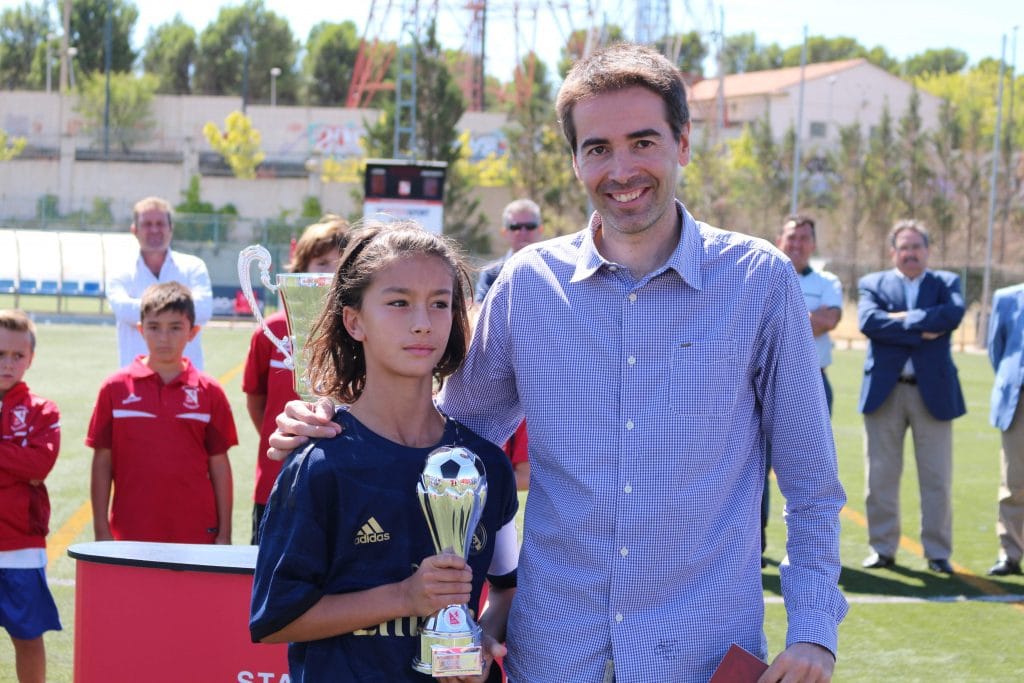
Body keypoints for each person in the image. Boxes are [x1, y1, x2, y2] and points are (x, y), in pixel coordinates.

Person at [271, 43, 846, 682]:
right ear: (575, 160)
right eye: (598, 148)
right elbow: (446, 439)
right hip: (555, 654)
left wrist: (815, 631)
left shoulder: (759, 281)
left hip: (699, 652)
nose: (621, 169)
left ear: (682, 143)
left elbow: (811, 484)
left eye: (643, 141)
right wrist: (336, 424)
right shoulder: (527, 284)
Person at [249, 221, 520, 683]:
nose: (422, 321)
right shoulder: (320, 462)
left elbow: (508, 590)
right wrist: (405, 597)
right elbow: (274, 618)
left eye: (440, 303)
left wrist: (476, 642)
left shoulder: (484, 464)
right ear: (354, 321)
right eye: (399, 302)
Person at [87, 282, 237, 544]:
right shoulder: (114, 388)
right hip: (131, 532)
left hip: (196, 532)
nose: (164, 338)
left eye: (175, 328)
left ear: (193, 332)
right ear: (140, 330)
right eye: (154, 327)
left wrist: (225, 532)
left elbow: (219, 465)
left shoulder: (210, 391)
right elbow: (102, 462)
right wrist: (101, 528)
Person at [858, 219, 965, 574]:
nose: (910, 254)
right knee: (880, 478)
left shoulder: (946, 283)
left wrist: (900, 322)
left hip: (931, 393)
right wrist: (922, 325)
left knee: (936, 479)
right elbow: (870, 322)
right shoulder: (872, 283)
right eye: (904, 247)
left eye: (917, 247)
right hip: (885, 394)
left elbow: (952, 314)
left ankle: (937, 553)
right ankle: (883, 548)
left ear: (927, 250)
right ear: (893, 252)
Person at [242, 216, 349, 544]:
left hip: (342, 481)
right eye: (321, 263)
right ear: (300, 269)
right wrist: (289, 436)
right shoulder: (271, 331)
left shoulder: (362, 330)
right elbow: (257, 400)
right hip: (276, 478)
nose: (329, 275)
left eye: (340, 265)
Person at [761, 215, 844, 561]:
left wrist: (783, 318)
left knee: (812, 468)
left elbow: (829, 321)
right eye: (791, 237)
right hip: (762, 384)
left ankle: (813, 554)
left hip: (813, 382)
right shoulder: (761, 276)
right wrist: (807, 318)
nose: (797, 244)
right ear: (779, 239)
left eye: (805, 238)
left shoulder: (827, 281)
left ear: (814, 244)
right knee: (754, 469)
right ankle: (754, 544)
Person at [0, 310, 61, 683]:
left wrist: (24, 466)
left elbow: (39, 464)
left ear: (30, 359)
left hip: (21, 543)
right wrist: (15, 460)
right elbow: (24, 465)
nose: (8, 363)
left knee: (27, 636)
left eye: (16, 356)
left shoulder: (42, 410)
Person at [106, 196, 213, 369]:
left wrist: (145, 311)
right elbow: (122, 310)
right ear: (134, 230)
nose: (154, 230)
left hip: (186, 383)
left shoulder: (193, 266)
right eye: (147, 224)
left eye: (160, 224)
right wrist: (179, 310)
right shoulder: (119, 269)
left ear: (171, 228)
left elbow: (203, 310)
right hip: (136, 382)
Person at [985, 282, 1024, 576]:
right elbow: (996, 351)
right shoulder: (1006, 297)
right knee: (1014, 482)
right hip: (1017, 400)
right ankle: (1009, 553)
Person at [474, 198, 545, 304]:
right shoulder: (492, 273)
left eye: (530, 226)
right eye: (515, 227)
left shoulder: (555, 270)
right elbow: (480, 308)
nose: (522, 232)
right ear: (504, 232)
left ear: (540, 230)